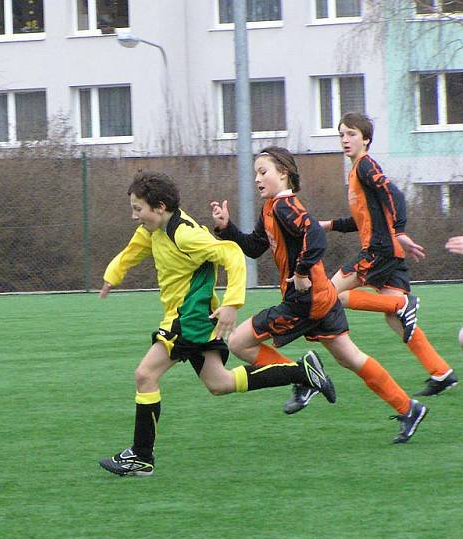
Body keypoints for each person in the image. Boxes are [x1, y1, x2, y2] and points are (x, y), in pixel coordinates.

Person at [98, 171, 335, 477]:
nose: (134, 216)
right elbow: (132, 252)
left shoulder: (184, 234)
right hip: (195, 316)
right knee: (219, 384)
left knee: (145, 375)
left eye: (138, 208)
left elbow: (232, 253)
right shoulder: (154, 229)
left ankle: (141, 457)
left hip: (189, 317)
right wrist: (111, 276)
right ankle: (302, 372)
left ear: (159, 207)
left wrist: (232, 304)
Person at [211, 146, 428, 443]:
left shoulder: (286, 207)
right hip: (321, 296)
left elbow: (314, 235)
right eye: (256, 174)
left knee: (239, 341)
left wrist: (301, 273)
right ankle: (409, 408)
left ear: (284, 174)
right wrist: (227, 228)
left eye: (264, 172)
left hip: (307, 301)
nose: (258, 179)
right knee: (351, 358)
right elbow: (254, 246)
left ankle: (303, 376)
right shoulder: (271, 208)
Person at [319, 112, 456, 397]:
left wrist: (401, 231)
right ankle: (441, 372)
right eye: (342, 134)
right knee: (397, 321)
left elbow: (396, 196)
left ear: (366, 139)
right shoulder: (358, 169)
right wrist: (329, 225)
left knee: (329, 295)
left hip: (379, 251)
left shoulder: (366, 166)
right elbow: (364, 218)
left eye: (352, 134)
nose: (345, 139)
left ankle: (402, 306)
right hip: (387, 253)